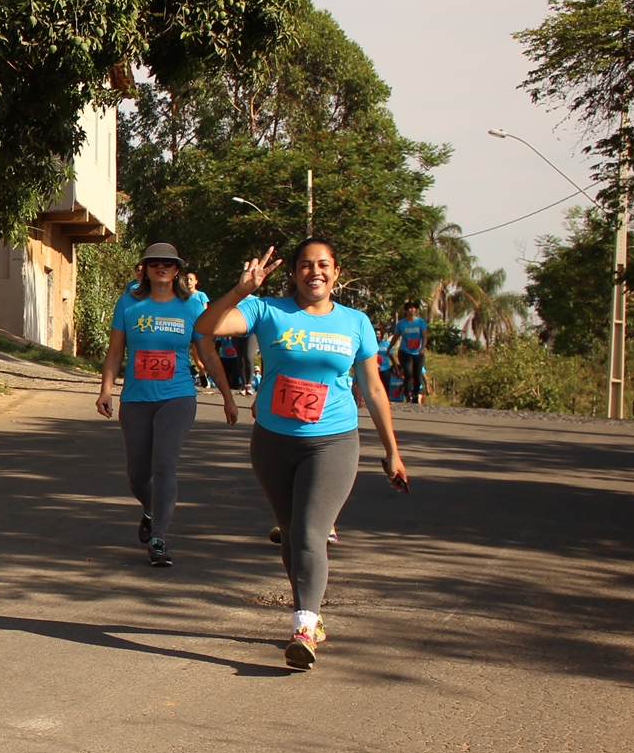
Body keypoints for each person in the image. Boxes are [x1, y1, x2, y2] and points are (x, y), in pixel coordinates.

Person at [196, 238, 409, 669]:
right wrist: (241, 290)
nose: (315, 272)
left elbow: (373, 389)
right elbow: (205, 327)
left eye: (324, 264)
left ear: (336, 272)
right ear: (293, 273)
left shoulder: (355, 322)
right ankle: (309, 610)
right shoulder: (266, 311)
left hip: (333, 442)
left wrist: (392, 451)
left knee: (311, 532)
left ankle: (303, 627)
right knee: (293, 534)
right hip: (273, 442)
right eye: (306, 265)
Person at [95, 244, 238, 566]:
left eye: (168, 264)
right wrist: (106, 390)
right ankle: (150, 508)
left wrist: (228, 398)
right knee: (137, 475)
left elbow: (209, 354)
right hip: (136, 398)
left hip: (177, 397)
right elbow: (115, 351)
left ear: (177, 271)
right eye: (154, 263)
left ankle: (159, 538)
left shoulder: (192, 307)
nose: (161, 267)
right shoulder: (128, 304)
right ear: (145, 269)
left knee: (164, 465)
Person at [393, 299, 429, 404]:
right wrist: (390, 347)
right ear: (405, 311)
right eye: (409, 308)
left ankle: (416, 394)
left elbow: (424, 336)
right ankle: (408, 394)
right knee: (408, 373)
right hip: (405, 351)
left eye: (413, 308)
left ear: (416, 310)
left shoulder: (420, 322)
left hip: (418, 352)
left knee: (417, 375)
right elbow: (396, 336)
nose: (411, 310)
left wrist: (423, 347)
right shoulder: (401, 324)